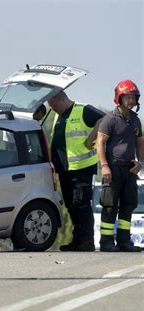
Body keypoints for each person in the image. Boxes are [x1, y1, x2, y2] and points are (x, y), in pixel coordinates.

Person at [48, 91, 105, 251]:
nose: (53, 109)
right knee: (71, 204)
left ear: (62, 99)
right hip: (65, 169)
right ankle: (78, 240)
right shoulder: (59, 116)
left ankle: (87, 241)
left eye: (54, 105)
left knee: (81, 203)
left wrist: (91, 139)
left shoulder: (82, 109)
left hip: (82, 167)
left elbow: (104, 119)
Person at [96, 80, 143, 252]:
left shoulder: (136, 121)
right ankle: (106, 242)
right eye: (127, 97)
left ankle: (124, 241)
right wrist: (105, 165)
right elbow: (100, 143)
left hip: (129, 169)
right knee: (110, 205)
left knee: (128, 205)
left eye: (133, 97)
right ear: (119, 98)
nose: (131, 100)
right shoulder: (109, 119)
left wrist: (140, 163)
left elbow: (139, 143)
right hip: (112, 168)